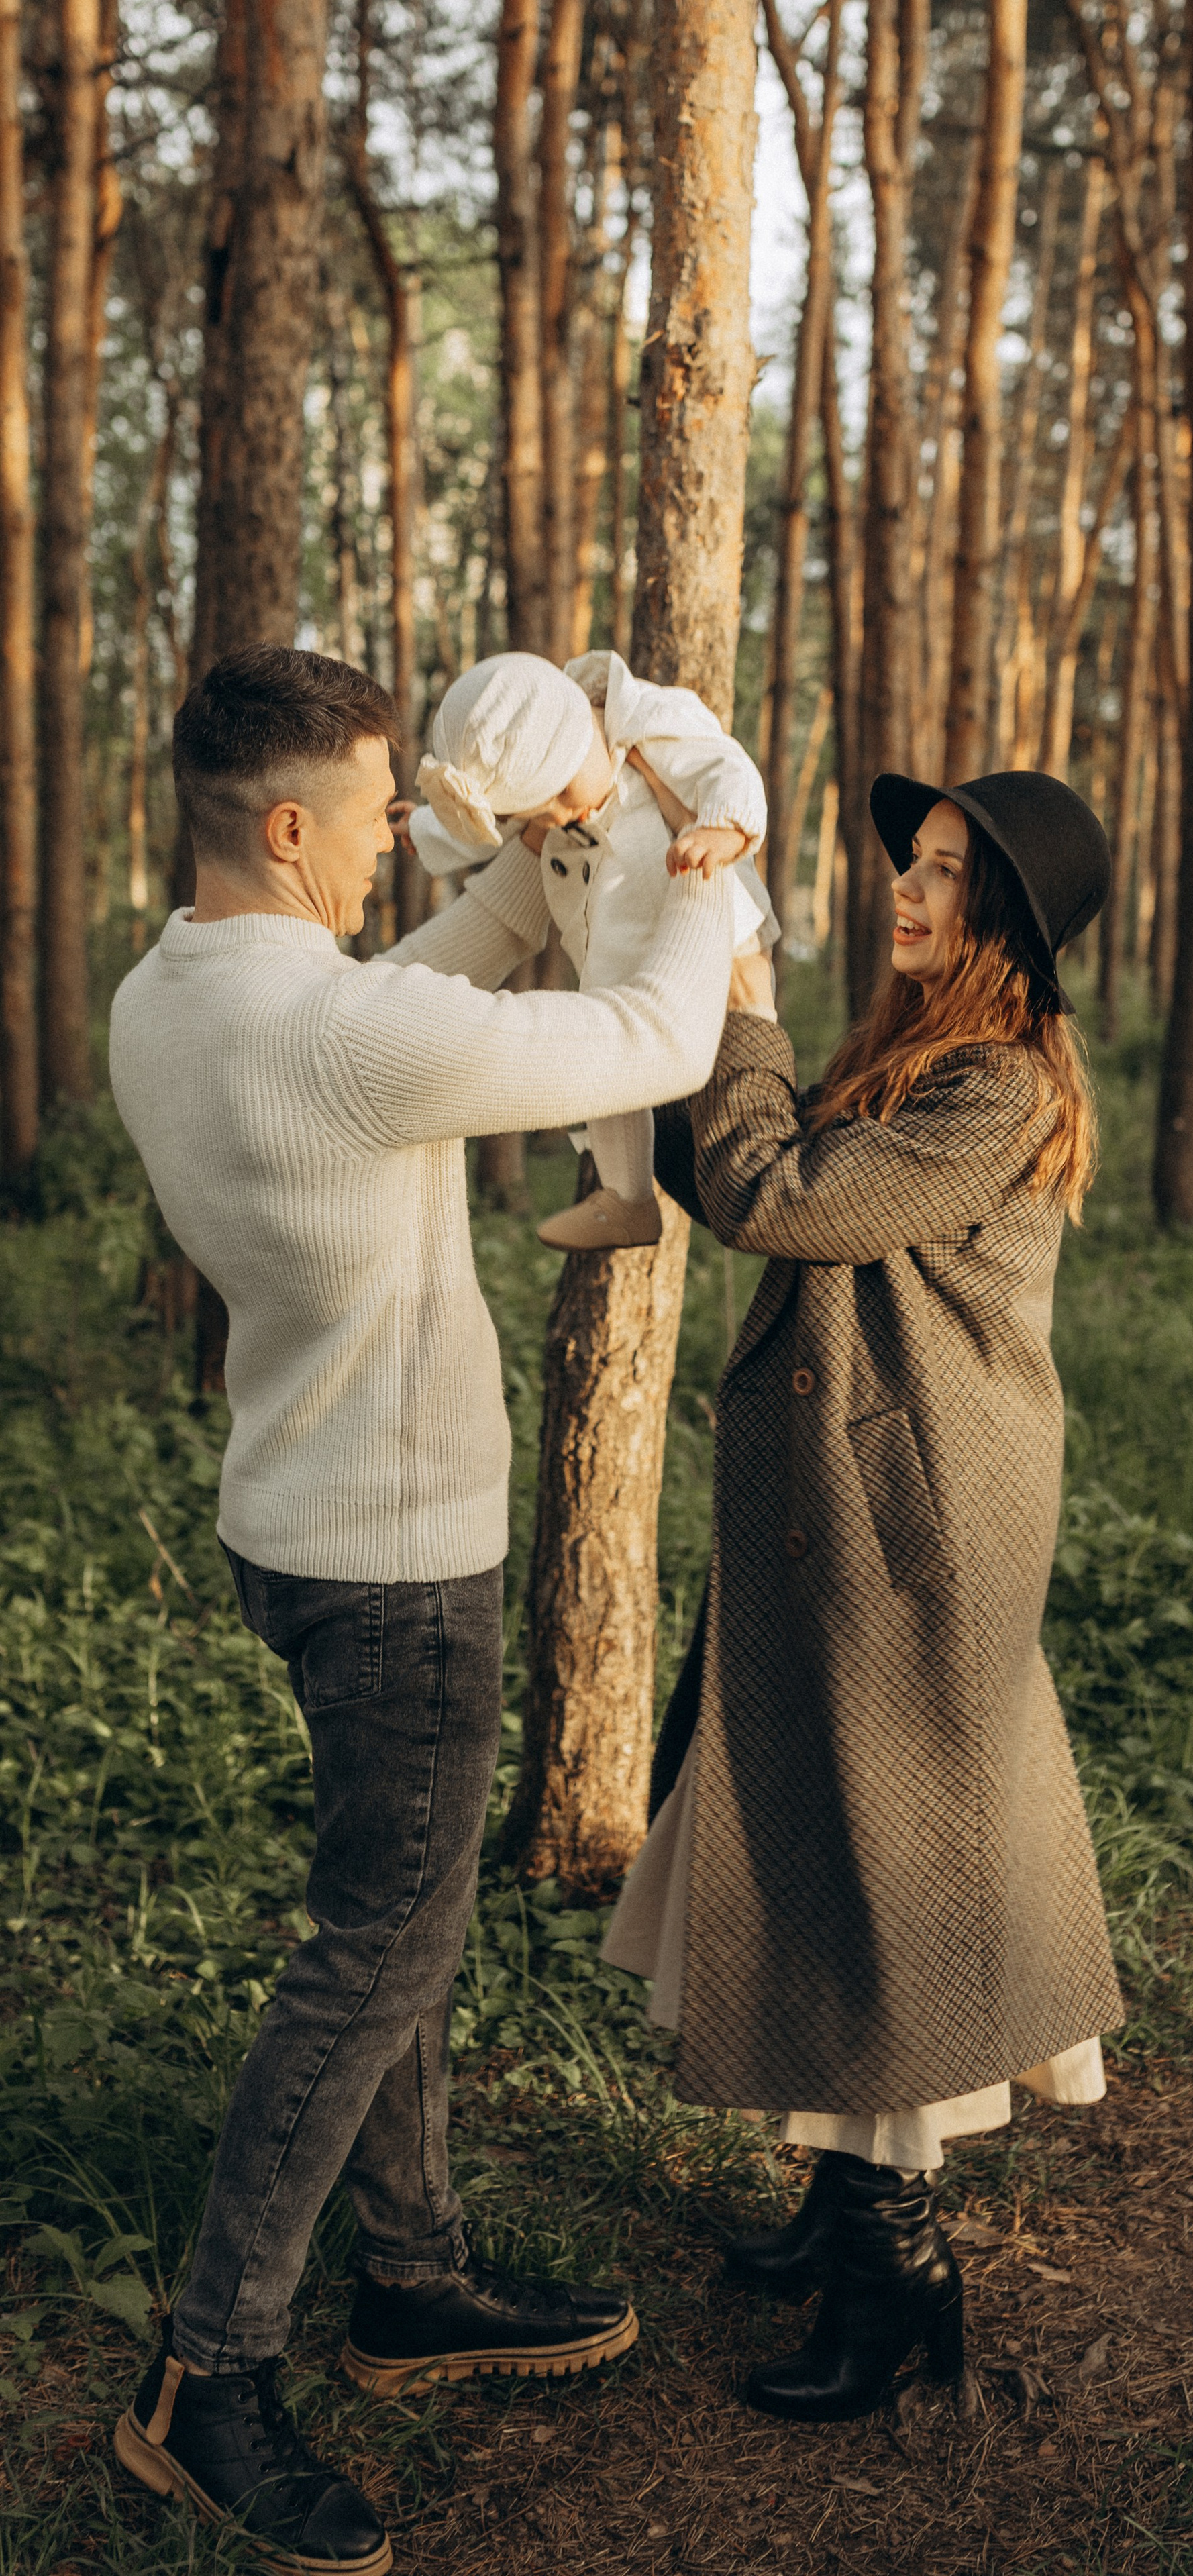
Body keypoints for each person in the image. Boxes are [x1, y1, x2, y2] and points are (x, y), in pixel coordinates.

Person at [105, 646, 736, 2574]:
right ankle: (213, 2377)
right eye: (378, 810)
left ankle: (412, 2280)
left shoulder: (171, 993)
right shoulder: (339, 1040)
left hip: (295, 1526)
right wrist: (703, 857)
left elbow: (394, 1003)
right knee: (371, 1952)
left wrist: (510, 886)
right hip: (399, 1569)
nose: (401, 834)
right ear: (288, 827)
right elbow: (657, 1045)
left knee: (411, 1918)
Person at [603, 768, 1126, 2424]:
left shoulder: (1000, 1086)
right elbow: (731, 1178)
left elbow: (789, 1201)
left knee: (890, 1874)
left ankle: (895, 2280)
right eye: (911, 858)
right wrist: (675, 999)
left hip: (913, 1535)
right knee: (823, 1844)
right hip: (844, 1518)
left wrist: (740, 1000)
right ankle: (840, 2207)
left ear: (1011, 927)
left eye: (951, 874)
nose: (908, 886)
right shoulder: (909, 1055)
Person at [408, 647, 777, 1253]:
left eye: (558, 795)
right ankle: (625, 1197)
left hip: (716, 931)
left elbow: (725, 769)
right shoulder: (560, 782)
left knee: (746, 1042)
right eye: (540, 814)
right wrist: (424, 828)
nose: (559, 817)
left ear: (578, 732)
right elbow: (493, 823)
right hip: (619, 938)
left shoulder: (651, 724)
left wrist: (723, 827)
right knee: (606, 1050)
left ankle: (769, 1153)